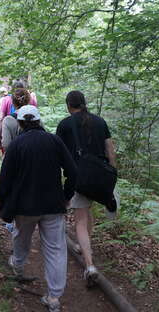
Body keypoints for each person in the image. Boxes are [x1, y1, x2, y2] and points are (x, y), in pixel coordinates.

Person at [0, 105, 77, 312]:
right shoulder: (54, 141)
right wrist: (66, 197)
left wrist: (3, 203)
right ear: (39, 121)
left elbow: (4, 179)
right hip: (53, 205)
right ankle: (53, 297)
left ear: (21, 123)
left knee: (21, 239)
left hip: (24, 206)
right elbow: (73, 172)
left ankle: (18, 267)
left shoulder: (17, 145)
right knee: (56, 250)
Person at [56, 90, 117, 284]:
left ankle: (89, 265)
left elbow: (59, 154)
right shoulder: (100, 122)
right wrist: (112, 175)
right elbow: (110, 150)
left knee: (80, 221)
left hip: (79, 178)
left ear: (69, 105)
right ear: (83, 103)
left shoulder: (65, 124)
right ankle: (84, 247)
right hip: (100, 177)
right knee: (88, 212)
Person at [0, 81, 37, 151]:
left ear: (12, 90)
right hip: (29, 139)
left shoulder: (6, 100)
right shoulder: (31, 99)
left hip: (10, 132)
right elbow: (36, 115)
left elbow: (1, 117)